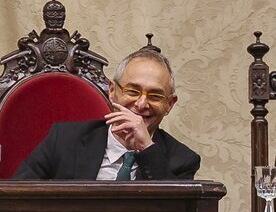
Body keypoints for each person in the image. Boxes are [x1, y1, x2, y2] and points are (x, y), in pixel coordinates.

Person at [12, 49, 200, 180]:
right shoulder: (64, 139)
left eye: (155, 95)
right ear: (112, 90)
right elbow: (18, 197)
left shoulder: (183, 160)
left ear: (169, 104)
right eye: (132, 91)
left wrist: (146, 149)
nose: (141, 104)